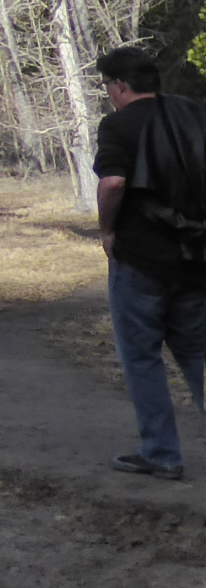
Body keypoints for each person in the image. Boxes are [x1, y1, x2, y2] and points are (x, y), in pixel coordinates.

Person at [91, 46, 206, 481]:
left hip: (141, 259)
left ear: (120, 85)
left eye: (108, 86)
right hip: (196, 255)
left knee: (142, 357)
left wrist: (107, 230)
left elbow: (114, 182)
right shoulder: (193, 114)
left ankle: (161, 453)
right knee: (197, 354)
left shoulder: (118, 124)